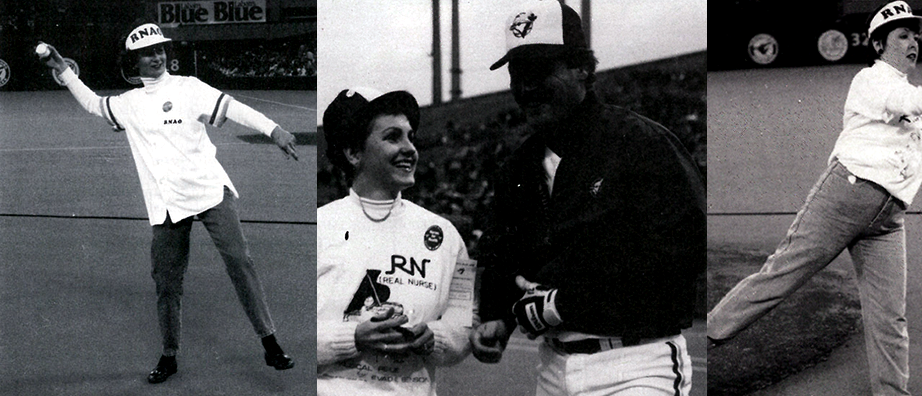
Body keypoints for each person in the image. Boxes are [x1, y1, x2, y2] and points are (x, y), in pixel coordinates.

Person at [706, 2, 922, 395]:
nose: (913, 42)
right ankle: (707, 333)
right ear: (880, 45)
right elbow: (912, 104)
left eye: (916, 35)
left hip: (887, 221)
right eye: (903, 35)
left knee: (890, 317)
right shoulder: (871, 81)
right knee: (781, 276)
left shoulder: (909, 95)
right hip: (844, 197)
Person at [37, 22, 298, 384]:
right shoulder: (128, 104)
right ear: (135, 61)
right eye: (147, 53)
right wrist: (62, 70)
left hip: (209, 191)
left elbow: (234, 108)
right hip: (167, 203)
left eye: (160, 50)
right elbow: (93, 104)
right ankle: (169, 355)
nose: (156, 56)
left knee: (240, 262)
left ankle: (270, 344)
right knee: (167, 282)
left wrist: (274, 130)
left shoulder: (189, 87)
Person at [469, 1, 707, 395]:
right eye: (517, 74)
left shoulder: (640, 142)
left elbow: (685, 248)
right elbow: (502, 252)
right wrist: (498, 318)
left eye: (540, 71)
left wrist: (568, 303)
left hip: (636, 363)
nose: (526, 88)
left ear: (583, 68)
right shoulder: (518, 166)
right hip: (553, 367)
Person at [317, 87, 474, 396]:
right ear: (354, 153)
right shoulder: (319, 225)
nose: (409, 148)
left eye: (410, 136)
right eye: (392, 137)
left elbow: (465, 323)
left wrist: (435, 337)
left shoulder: (448, 236)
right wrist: (353, 337)